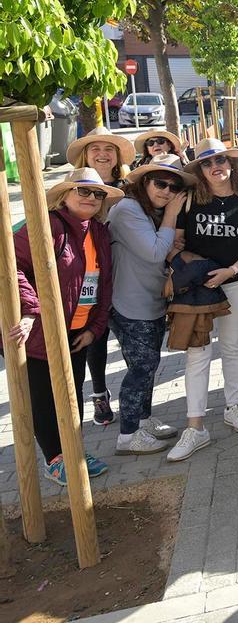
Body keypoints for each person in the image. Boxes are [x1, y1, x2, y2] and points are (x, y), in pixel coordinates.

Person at [11, 168, 121, 484]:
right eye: (82, 191)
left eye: (97, 193)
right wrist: (33, 312)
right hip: (38, 332)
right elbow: (11, 266)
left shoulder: (99, 231)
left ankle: (73, 450)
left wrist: (96, 328)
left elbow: (104, 283)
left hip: (77, 332)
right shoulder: (48, 226)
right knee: (44, 397)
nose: (90, 198)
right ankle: (55, 459)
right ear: (65, 195)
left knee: (72, 392)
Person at [169, 139, 238, 461]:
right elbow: (176, 243)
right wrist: (189, 263)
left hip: (235, 282)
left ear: (232, 164)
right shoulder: (189, 200)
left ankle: (234, 406)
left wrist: (232, 270)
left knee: (233, 346)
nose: (216, 167)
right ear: (199, 169)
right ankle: (195, 427)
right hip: (198, 288)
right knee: (198, 351)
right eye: (208, 163)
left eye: (221, 161)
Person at [107, 156, 193, 455]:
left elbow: (159, 249)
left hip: (149, 301)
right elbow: (156, 252)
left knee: (146, 365)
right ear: (144, 182)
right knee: (141, 368)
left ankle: (142, 419)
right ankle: (128, 435)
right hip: (130, 305)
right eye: (160, 184)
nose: (167, 192)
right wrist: (171, 216)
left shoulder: (146, 211)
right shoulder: (128, 209)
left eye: (173, 188)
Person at [66, 126, 133, 426]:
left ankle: (137, 399)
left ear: (117, 155)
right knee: (95, 336)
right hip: (88, 277)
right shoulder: (71, 188)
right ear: (85, 155)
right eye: (95, 149)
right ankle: (99, 393)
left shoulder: (129, 186)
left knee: (133, 339)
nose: (102, 154)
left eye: (109, 149)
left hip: (128, 272)